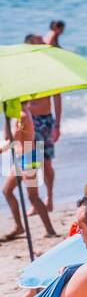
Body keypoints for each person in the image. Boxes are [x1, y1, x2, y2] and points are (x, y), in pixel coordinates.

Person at [1, 103, 58, 240]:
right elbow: (7, 137)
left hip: (28, 158)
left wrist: (1, 149)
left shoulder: (22, 115)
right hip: (21, 158)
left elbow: (12, 141)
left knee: (33, 196)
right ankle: (19, 227)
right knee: (7, 191)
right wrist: (7, 118)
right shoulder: (17, 115)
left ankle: (50, 230)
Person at [22, 34, 61, 212]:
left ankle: (49, 196)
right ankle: (34, 202)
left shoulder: (47, 68)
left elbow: (57, 97)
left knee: (46, 163)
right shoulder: (23, 69)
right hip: (29, 120)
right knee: (29, 162)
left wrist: (57, 125)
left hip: (45, 121)